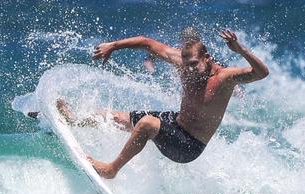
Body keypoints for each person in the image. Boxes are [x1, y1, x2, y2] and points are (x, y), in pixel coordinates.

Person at [57, 27, 269, 179]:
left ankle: (111, 170)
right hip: (176, 122)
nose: (190, 70)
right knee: (117, 116)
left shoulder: (225, 78)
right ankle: (75, 119)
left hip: (189, 146)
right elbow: (146, 42)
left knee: (147, 124)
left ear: (207, 57)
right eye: (186, 65)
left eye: (194, 64)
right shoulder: (184, 63)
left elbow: (262, 73)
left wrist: (240, 50)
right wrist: (113, 45)